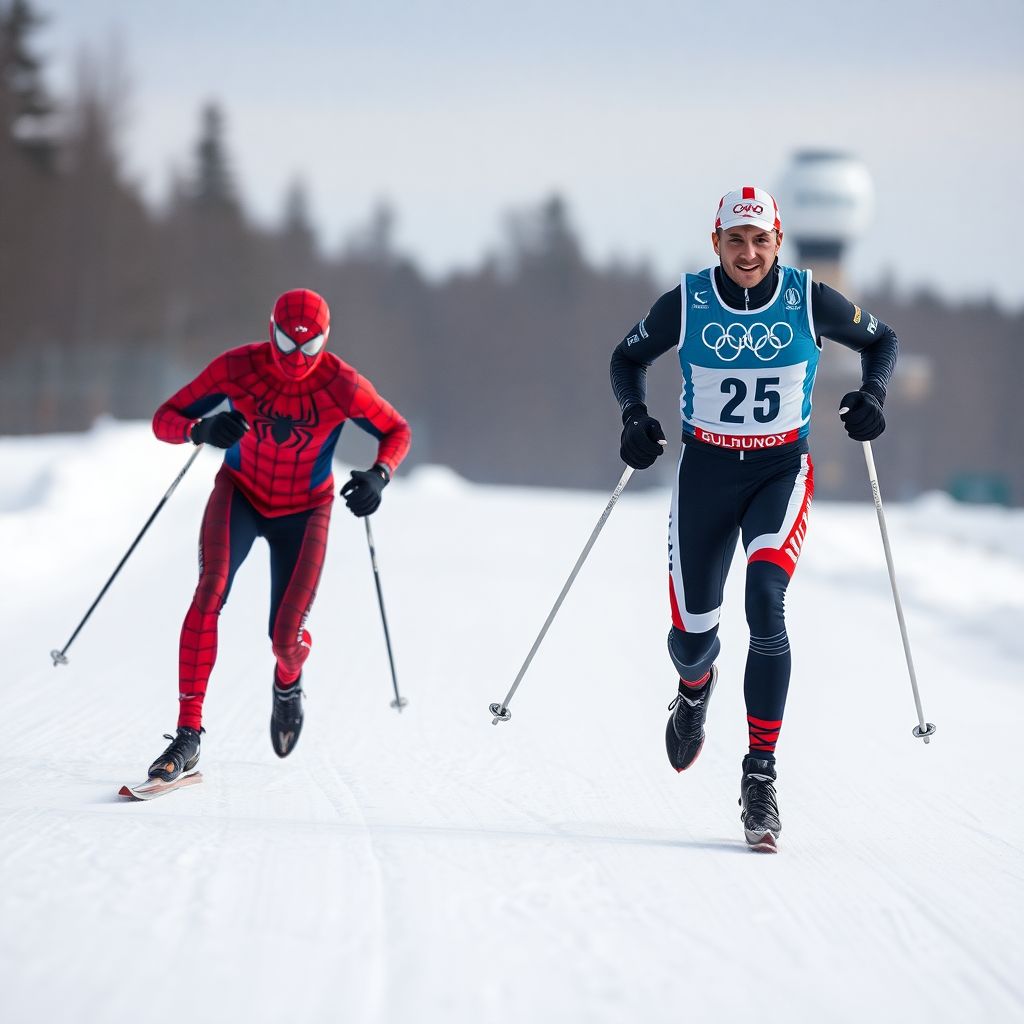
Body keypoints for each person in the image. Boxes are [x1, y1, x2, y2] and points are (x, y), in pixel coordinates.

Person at [609, 186, 897, 851]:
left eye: (760, 241)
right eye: (735, 241)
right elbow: (628, 358)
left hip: (780, 471)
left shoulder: (808, 297)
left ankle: (759, 776)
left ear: (779, 241)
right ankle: (693, 687)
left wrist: (873, 396)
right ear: (716, 243)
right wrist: (634, 417)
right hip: (706, 474)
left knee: (766, 600)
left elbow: (882, 343)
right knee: (692, 639)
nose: (748, 254)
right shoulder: (686, 301)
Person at [145, 287, 411, 783]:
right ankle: (187, 735)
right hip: (240, 494)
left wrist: (380, 475)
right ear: (271, 332)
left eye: (309, 348)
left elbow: (396, 431)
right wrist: (200, 430)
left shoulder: (343, 385)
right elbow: (164, 418)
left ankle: (288, 685)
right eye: (287, 344)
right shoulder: (238, 367)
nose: (296, 358)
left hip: (306, 511)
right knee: (209, 593)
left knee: (285, 638)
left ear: (326, 342)